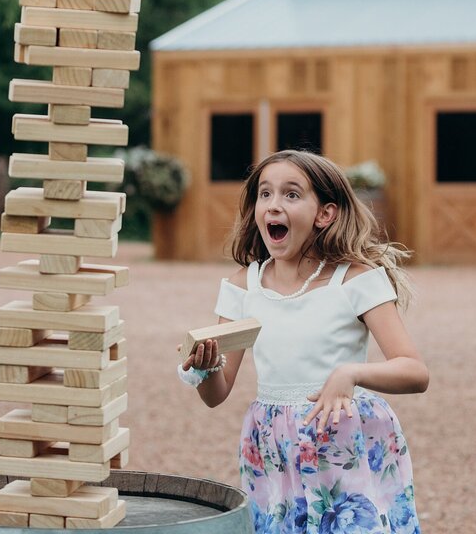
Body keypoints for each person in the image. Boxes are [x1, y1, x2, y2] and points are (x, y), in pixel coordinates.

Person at [180, 150, 429, 534]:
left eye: (291, 195)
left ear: (324, 214)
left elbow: (415, 371)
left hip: (344, 442)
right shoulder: (240, 288)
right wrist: (207, 366)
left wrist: (351, 373)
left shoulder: (356, 280)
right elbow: (217, 393)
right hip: (272, 449)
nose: (273, 205)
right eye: (265, 194)